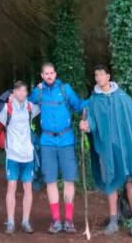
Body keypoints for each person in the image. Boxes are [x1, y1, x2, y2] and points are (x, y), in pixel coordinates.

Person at [79, 65, 132, 237]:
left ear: (108, 76)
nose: (99, 78)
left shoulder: (121, 97)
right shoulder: (93, 101)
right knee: (111, 184)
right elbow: (92, 122)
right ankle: (113, 221)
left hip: (124, 149)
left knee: (129, 182)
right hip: (106, 150)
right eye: (96, 75)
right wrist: (86, 126)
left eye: (101, 75)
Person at [22, 63, 88, 234]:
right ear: (42, 76)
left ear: (55, 74)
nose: (49, 76)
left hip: (66, 141)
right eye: (46, 74)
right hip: (47, 142)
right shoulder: (38, 92)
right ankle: (56, 220)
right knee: (50, 181)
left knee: (68, 180)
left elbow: (79, 105)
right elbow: (24, 105)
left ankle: (69, 220)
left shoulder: (65, 89)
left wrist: (96, 99)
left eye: (51, 73)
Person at [0, 80, 40, 235]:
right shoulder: (7, 108)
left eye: (24, 90)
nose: (21, 93)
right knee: (12, 187)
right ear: (13, 93)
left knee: (28, 188)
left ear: (27, 92)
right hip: (13, 154)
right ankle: (10, 222)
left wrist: (38, 88)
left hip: (27, 155)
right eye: (18, 91)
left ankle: (25, 221)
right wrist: (8, 95)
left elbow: (42, 101)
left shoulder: (31, 107)